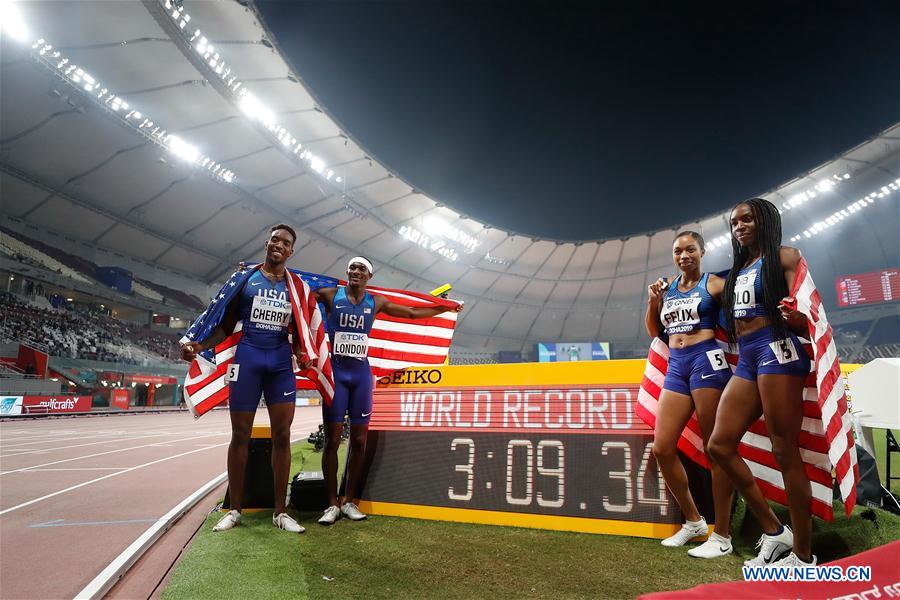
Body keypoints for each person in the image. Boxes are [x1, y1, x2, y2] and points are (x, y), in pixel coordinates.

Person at [313, 256, 462, 525]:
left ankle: (350, 501)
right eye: (352, 268)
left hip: (361, 376)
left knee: (359, 441)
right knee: (332, 441)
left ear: (369, 276)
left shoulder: (376, 302)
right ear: (347, 272)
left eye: (362, 269)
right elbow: (297, 295)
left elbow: (412, 313)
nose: (356, 271)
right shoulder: (330, 294)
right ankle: (331, 504)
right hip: (336, 375)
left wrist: (445, 307)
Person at [706, 198, 814, 567]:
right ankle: (775, 530)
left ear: (766, 220)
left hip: (777, 349)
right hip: (749, 356)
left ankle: (803, 555)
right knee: (719, 444)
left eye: (747, 219)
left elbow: (810, 319)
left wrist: (798, 318)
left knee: (785, 450)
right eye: (735, 222)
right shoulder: (738, 270)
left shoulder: (785, 257)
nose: (740, 227)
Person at [181, 224, 308, 534]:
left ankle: (280, 512)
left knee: (282, 435)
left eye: (285, 243)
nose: (279, 245)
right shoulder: (246, 280)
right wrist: (200, 345)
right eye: (275, 239)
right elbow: (225, 327)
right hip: (248, 360)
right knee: (240, 435)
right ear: (267, 243)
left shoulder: (296, 287)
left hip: (280, 365)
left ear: (291, 251)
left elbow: (301, 327)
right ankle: (235, 510)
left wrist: (302, 352)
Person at [645, 231, 734, 558]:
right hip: (677, 365)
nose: (684, 256)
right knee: (662, 447)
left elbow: (742, 320)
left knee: (716, 450)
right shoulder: (666, 289)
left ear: (702, 252)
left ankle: (722, 535)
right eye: (678, 251)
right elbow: (655, 332)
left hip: (706, 361)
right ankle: (694, 521)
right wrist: (653, 301)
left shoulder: (715, 285)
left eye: (690, 250)